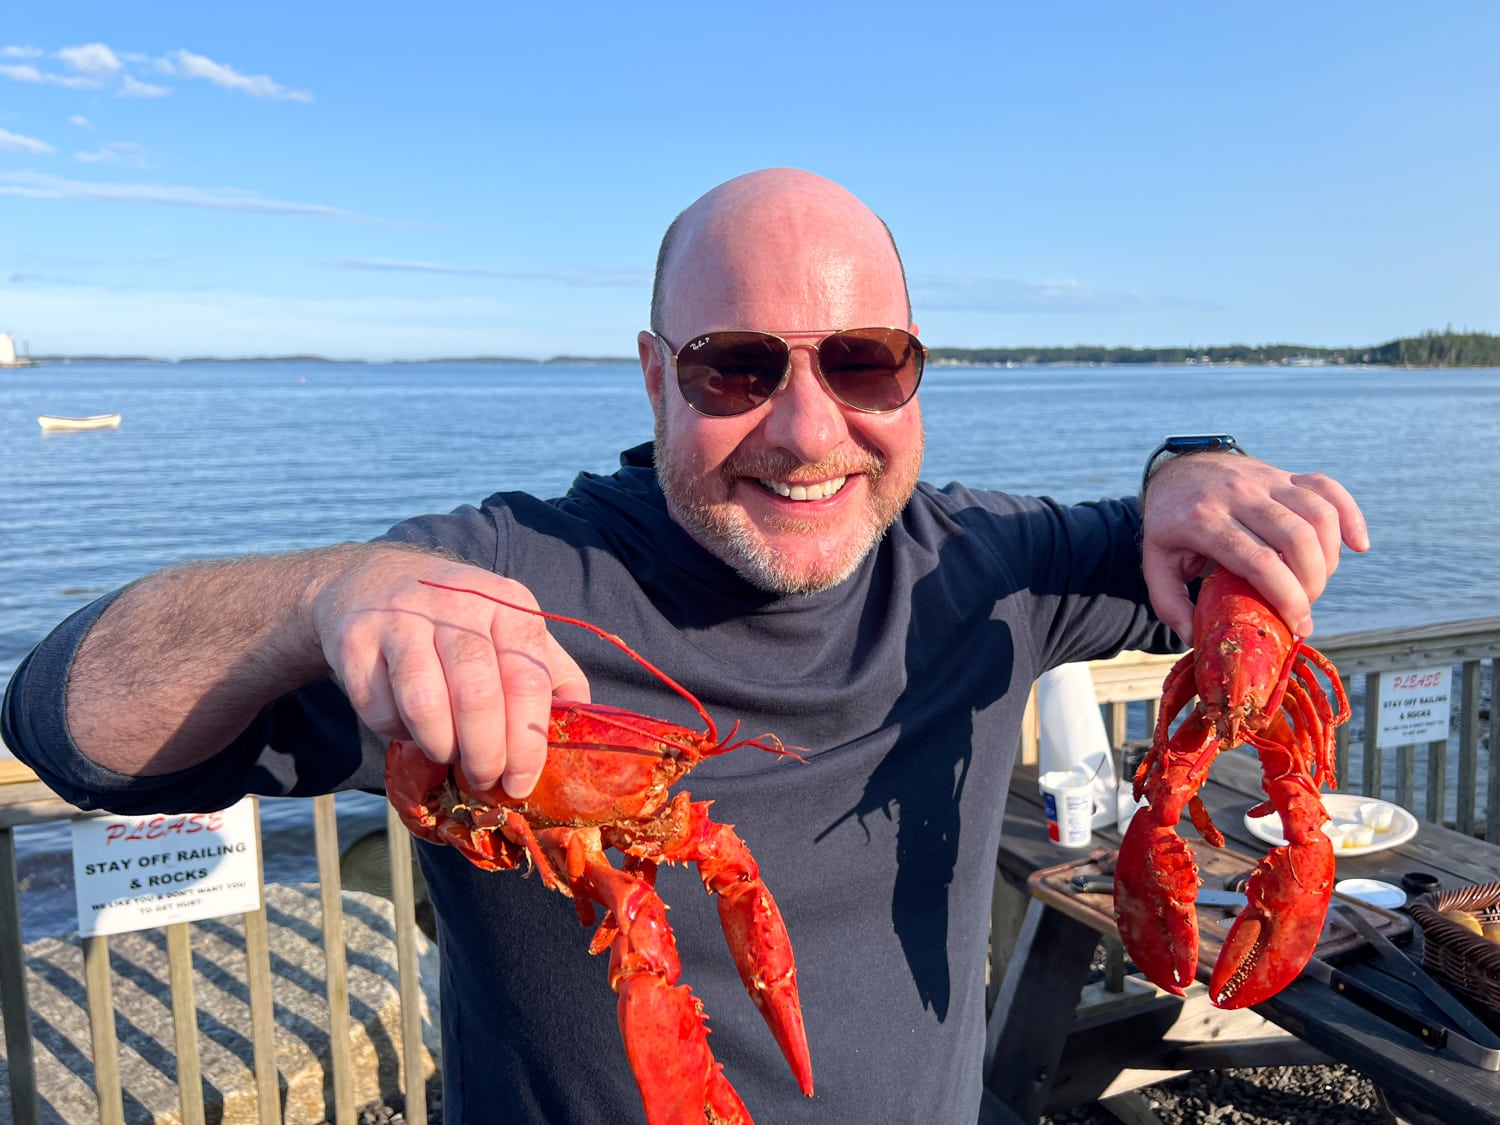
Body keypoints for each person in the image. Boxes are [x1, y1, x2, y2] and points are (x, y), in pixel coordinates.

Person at [1, 168, 1368, 1124]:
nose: (806, 425)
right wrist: (321, 593)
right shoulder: (492, 590)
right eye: (735, 365)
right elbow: (72, 721)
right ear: (654, 374)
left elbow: (1188, 541)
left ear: (916, 375)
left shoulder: (990, 563)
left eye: (864, 360)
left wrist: (1200, 456)